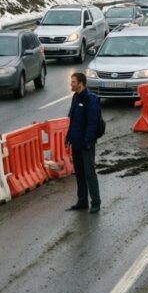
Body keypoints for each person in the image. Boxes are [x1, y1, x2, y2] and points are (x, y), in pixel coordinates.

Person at [66, 72, 101, 214]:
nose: (71, 84)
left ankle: (96, 202)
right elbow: (72, 120)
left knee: (89, 173)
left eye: (73, 82)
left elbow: (92, 123)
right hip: (76, 143)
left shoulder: (90, 99)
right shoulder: (75, 97)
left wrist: (88, 141)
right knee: (79, 173)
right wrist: (68, 137)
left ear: (80, 83)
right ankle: (82, 201)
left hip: (86, 144)